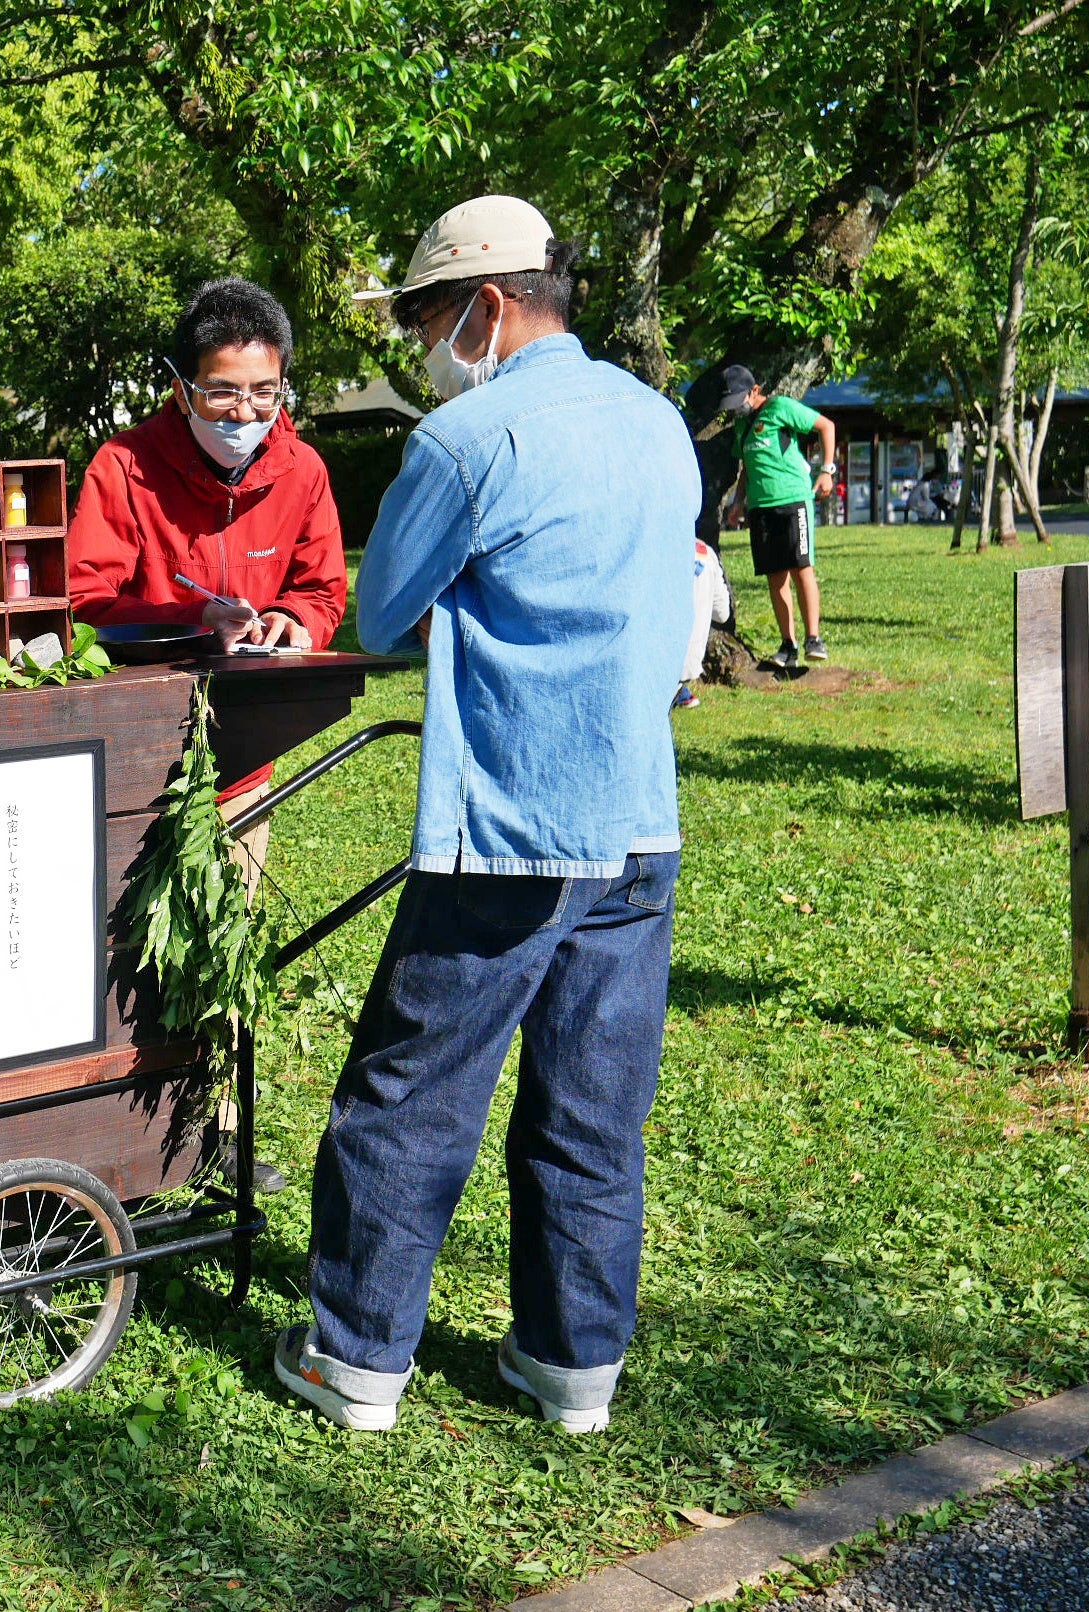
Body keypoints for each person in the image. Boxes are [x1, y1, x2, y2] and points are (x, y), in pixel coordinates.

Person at [269, 194, 697, 1435]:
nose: (416, 339)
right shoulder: (655, 419)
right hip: (640, 822)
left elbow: (383, 608)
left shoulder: (466, 442)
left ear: (486, 306)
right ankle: (573, 1368)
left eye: (420, 315)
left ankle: (352, 1358)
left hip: (510, 823)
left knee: (410, 1096)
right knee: (590, 1107)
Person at [68, 275, 348, 877]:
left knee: (229, 926)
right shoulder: (123, 468)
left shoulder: (304, 472)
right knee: (125, 937)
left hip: (247, 746)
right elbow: (83, 603)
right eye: (222, 392)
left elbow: (321, 591)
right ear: (180, 388)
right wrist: (192, 622)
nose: (245, 412)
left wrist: (293, 621)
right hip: (133, 744)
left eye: (264, 393)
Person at [716, 364, 833, 670]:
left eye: (739, 399)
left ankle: (814, 639)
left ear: (754, 390)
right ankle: (788, 644)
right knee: (775, 575)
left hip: (793, 500)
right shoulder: (742, 427)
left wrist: (826, 471)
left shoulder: (781, 407)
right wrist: (738, 503)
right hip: (761, 508)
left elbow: (826, 426)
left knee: (801, 568)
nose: (736, 408)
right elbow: (746, 470)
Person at [678, 538, 731, 708]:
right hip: (691, 665)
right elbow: (722, 614)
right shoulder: (706, 551)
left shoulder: (651, 545)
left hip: (659, 665)